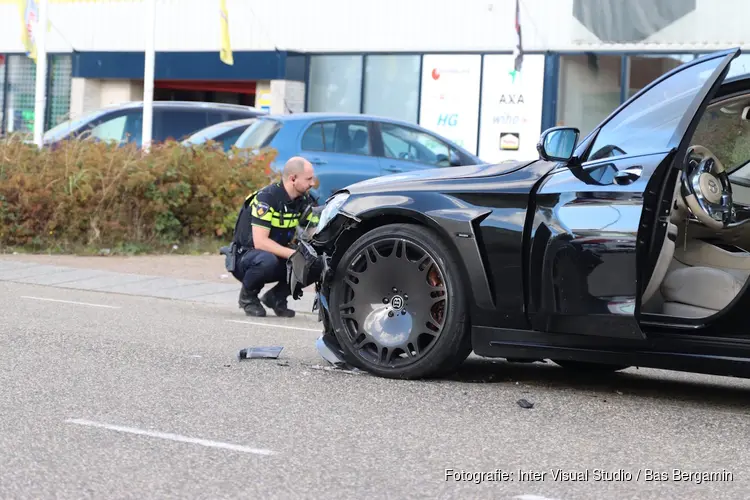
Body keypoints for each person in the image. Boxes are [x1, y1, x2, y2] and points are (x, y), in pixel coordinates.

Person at [229, 156, 318, 317]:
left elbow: (314, 230)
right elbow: (260, 242)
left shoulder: (303, 199)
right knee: (267, 260)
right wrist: (295, 254)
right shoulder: (267, 198)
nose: (313, 183)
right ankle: (247, 297)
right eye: (309, 179)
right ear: (293, 179)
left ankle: (276, 297)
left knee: (315, 263)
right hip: (247, 258)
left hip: (276, 255)